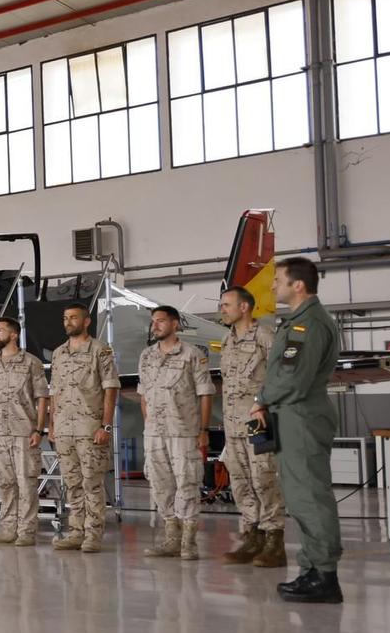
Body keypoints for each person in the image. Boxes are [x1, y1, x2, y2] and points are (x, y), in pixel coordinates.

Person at [252, 257, 345, 604]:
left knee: (309, 495)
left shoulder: (310, 325)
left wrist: (261, 398)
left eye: (278, 280)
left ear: (298, 285)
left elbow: (294, 377)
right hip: (291, 415)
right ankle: (311, 570)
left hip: (301, 416)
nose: (273, 286)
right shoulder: (298, 322)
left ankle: (325, 575)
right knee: (299, 496)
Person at [138, 306, 216, 560]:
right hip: (154, 433)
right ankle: (171, 537)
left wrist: (203, 430)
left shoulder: (192, 354)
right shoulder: (146, 356)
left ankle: (188, 542)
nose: (155, 326)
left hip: (183, 431)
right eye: (153, 322)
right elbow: (143, 395)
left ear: (174, 324)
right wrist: (149, 423)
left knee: (187, 483)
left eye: (161, 321)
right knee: (160, 484)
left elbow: (205, 393)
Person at [218, 287, 287, 568]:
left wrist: (262, 402)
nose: (222, 309)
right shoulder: (227, 340)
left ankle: (274, 541)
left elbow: (280, 376)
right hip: (232, 424)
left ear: (244, 307)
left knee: (264, 479)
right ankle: (252, 536)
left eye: (226, 304)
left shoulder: (265, 337)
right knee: (241, 481)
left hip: (259, 421)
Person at [48, 305, 119, 553]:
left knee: (92, 483)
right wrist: (52, 424)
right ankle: (76, 532)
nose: (68, 322)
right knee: (73, 483)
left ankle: (93, 534)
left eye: (73, 318)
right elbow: (54, 392)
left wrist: (106, 425)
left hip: (90, 427)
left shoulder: (100, 350)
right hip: (65, 428)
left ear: (86, 321)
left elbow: (111, 389)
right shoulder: (58, 353)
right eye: (65, 318)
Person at [0, 316, 47, 547]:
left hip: (23, 431)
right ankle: (9, 529)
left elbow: (41, 398)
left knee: (26, 482)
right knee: (4, 483)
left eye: (0, 330)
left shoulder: (31, 363)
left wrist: (39, 429)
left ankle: (27, 531)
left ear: (14, 334)